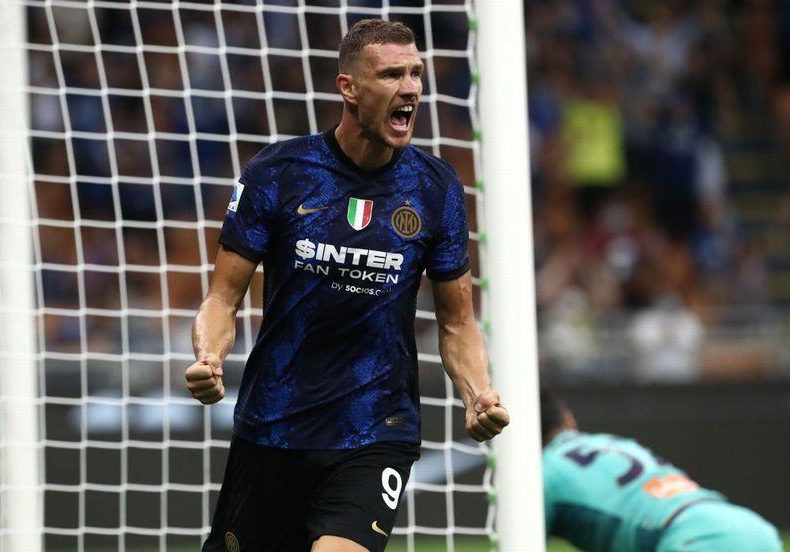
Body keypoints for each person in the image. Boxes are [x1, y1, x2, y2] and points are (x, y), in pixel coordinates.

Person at [185, 19, 509, 552]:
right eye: (391, 75)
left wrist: (476, 394)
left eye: (416, 74)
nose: (410, 88)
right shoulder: (279, 173)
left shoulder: (435, 188)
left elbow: (457, 322)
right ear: (349, 88)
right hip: (275, 423)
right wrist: (209, 357)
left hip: (376, 426)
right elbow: (223, 297)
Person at [540, 389, 782, 551]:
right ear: (569, 419)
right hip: (752, 528)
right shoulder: (612, 442)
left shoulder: (542, 471)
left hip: (692, 540)